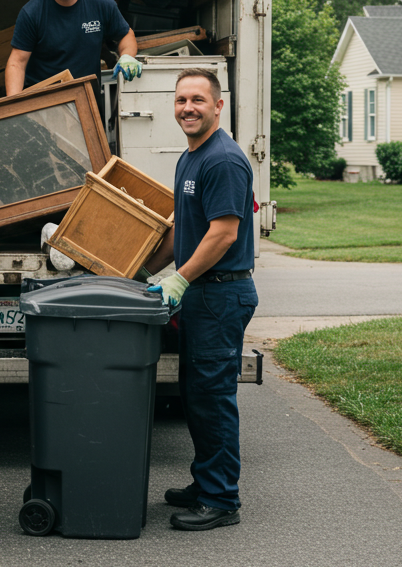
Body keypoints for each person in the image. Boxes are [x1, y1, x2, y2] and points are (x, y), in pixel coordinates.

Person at [142, 67, 258, 531]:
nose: (187, 108)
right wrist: (146, 270)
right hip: (201, 294)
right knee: (195, 396)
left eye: (197, 100)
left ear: (218, 105)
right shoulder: (190, 156)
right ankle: (205, 480)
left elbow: (223, 234)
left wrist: (179, 280)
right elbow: (182, 228)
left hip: (220, 293)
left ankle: (221, 498)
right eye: (180, 100)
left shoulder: (223, 160)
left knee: (213, 398)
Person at [3, 0, 142, 95]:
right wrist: (13, 109)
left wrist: (127, 56)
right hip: (43, 101)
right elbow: (17, 63)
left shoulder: (101, 3)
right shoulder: (32, 13)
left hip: (87, 99)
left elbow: (126, 34)